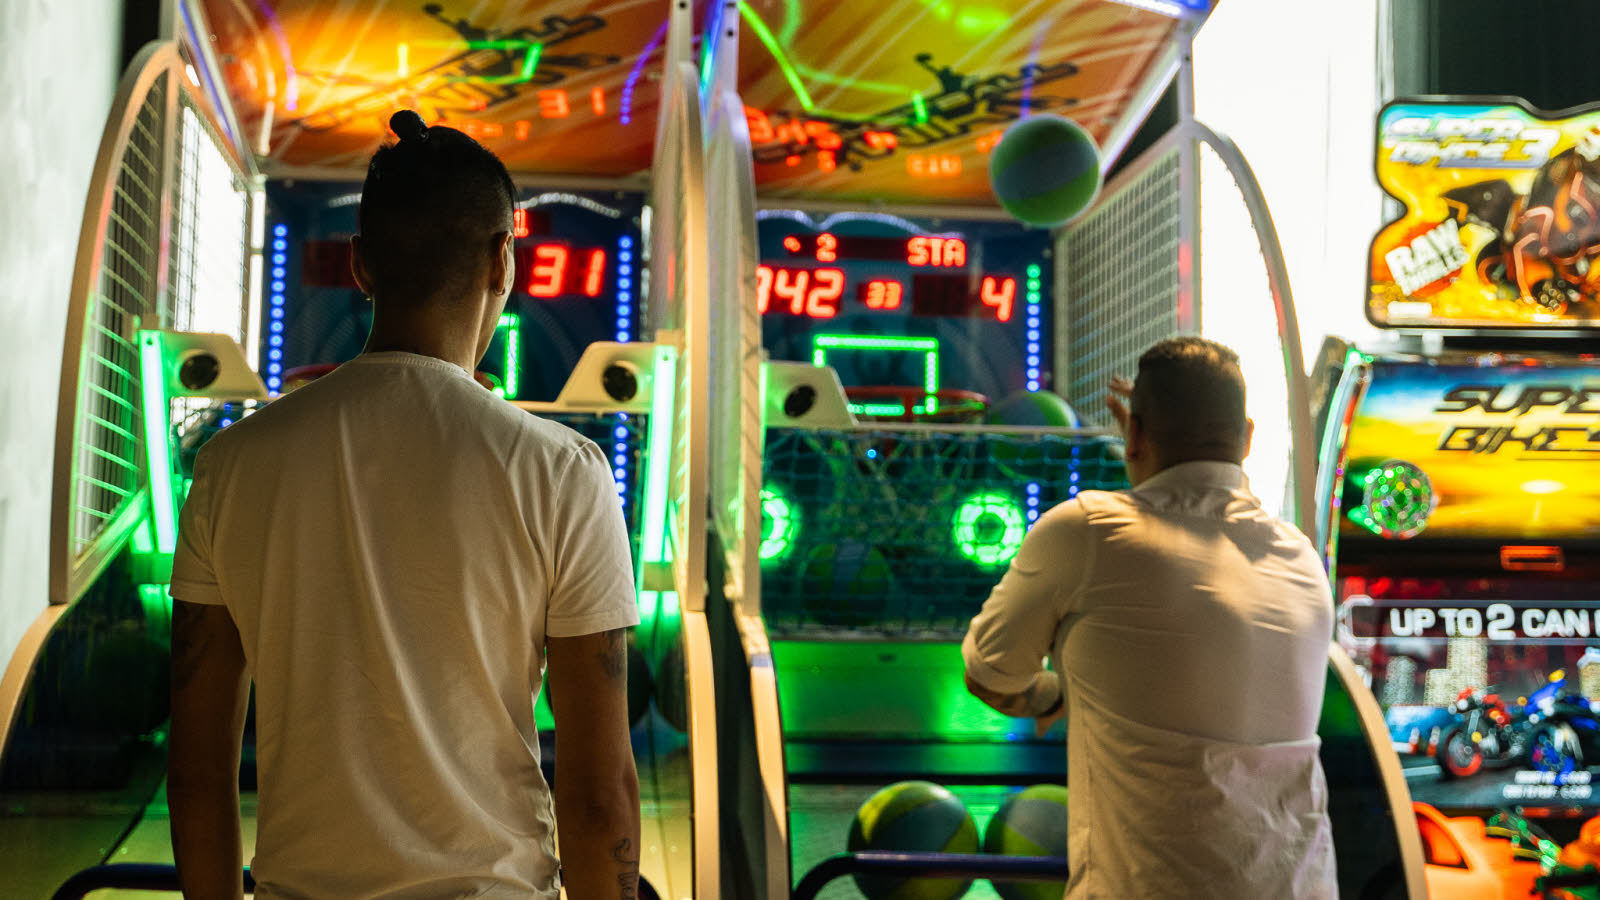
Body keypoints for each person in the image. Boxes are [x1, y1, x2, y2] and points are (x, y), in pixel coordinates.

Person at [167, 110, 641, 900]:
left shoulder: (231, 467)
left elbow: (196, 770)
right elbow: (599, 797)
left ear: (360, 265)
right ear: (502, 262)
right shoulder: (563, 472)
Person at [962, 336, 1336, 898]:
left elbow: (990, 674)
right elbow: (1212, 518)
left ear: (1133, 434)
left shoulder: (1087, 532)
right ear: (1249, 438)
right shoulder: (1300, 557)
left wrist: (1053, 696)